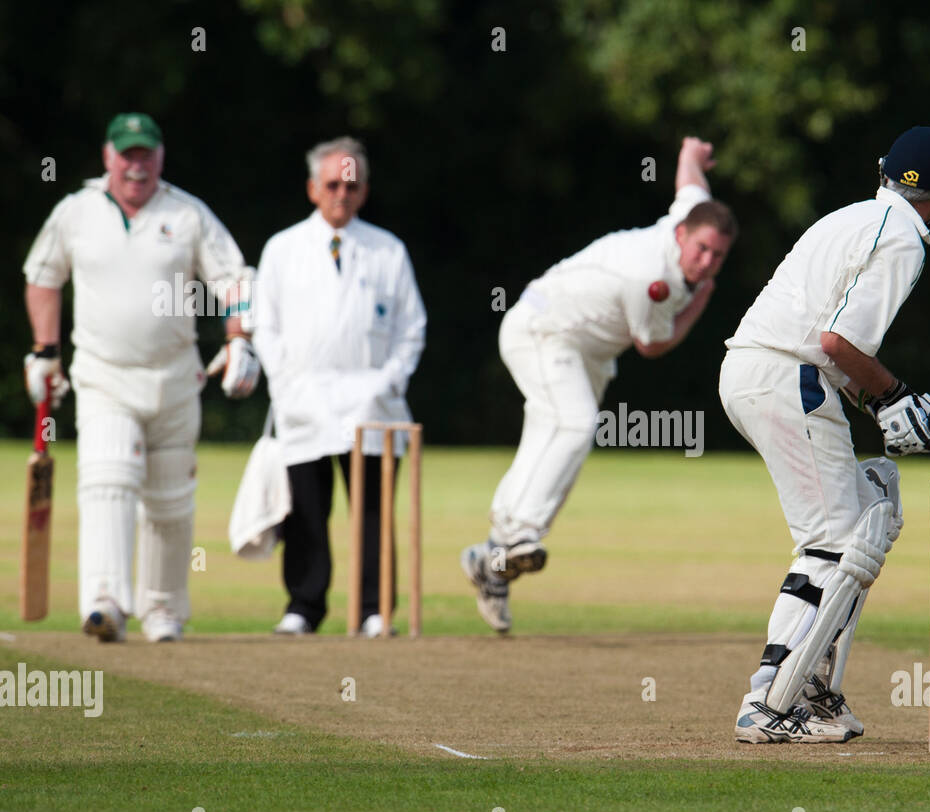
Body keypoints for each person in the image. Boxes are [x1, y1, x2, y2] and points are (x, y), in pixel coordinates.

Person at [719, 125, 930, 743]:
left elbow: (827, 345)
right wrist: (896, 396)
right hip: (785, 376)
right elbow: (837, 343)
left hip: (760, 371)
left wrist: (882, 407)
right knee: (832, 544)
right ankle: (769, 700)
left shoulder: (850, 217)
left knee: (871, 512)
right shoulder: (906, 237)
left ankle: (814, 692)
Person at [461, 136, 736, 634]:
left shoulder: (693, 213)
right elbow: (653, 345)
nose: (706, 263)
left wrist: (690, 155)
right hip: (544, 330)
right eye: (701, 251)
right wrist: (702, 299)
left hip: (586, 350)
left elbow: (691, 184)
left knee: (554, 441)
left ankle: (491, 559)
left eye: (717, 256)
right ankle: (516, 534)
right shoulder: (654, 281)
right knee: (574, 424)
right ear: (680, 237)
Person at [22, 113, 259, 643]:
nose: (137, 165)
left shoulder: (187, 213)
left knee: (171, 498)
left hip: (175, 377)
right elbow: (43, 277)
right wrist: (44, 351)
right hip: (105, 375)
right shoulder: (76, 213)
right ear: (108, 157)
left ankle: (163, 610)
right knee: (108, 480)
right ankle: (104, 601)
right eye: (127, 154)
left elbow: (234, 278)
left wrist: (240, 339)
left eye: (145, 154)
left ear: (160, 157)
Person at [251, 137, 426, 638]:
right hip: (304, 400)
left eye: (351, 186)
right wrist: (286, 383)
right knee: (306, 508)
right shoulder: (283, 249)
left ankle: (373, 610)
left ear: (364, 191)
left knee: (372, 510)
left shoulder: (387, 250)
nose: (341, 195)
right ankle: (304, 607)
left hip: (371, 401)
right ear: (312, 189)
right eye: (332, 185)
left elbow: (410, 328)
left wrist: (386, 383)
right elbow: (267, 325)